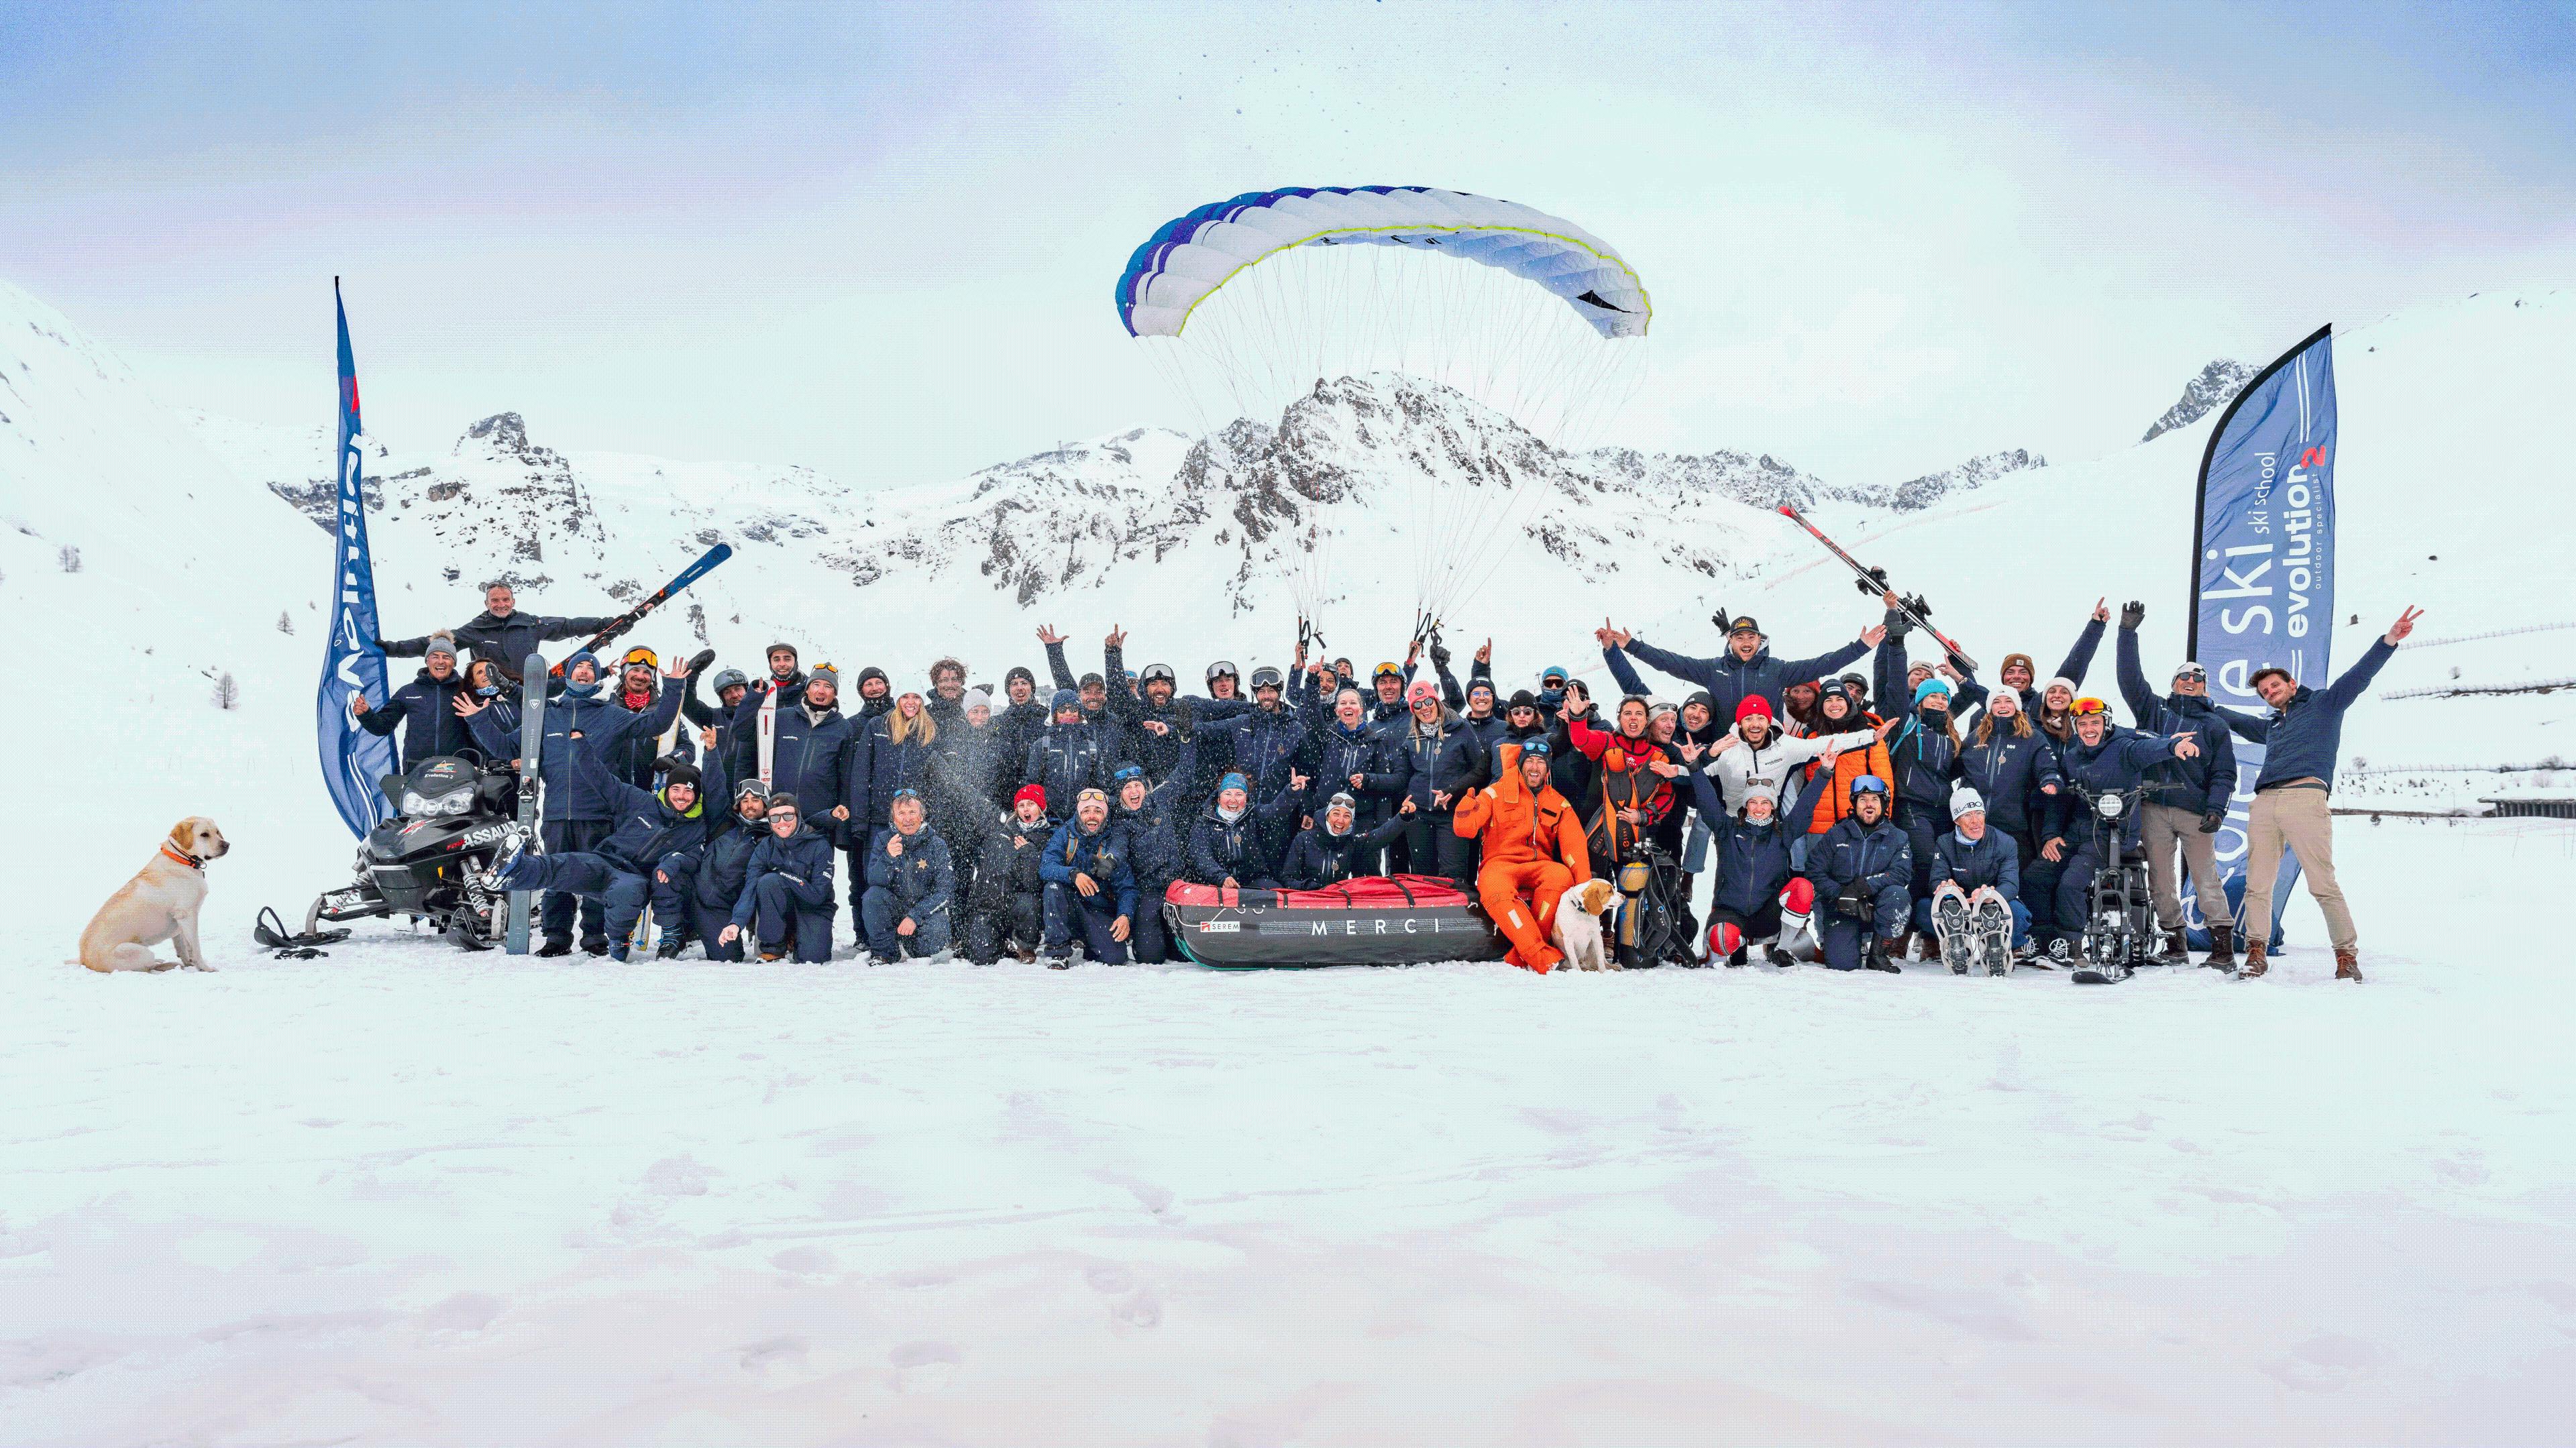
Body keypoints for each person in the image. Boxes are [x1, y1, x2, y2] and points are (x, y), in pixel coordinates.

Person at [2213, 608, 2419, 981]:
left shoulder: (2325, 704)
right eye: (2264, 693)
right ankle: (2256, 953)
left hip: (2305, 797)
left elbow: (2358, 677)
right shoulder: (2274, 726)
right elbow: (2240, 723)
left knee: (2321, 882)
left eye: (2274, 686)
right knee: (2258, 884)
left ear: (2291, 683)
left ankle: (2346, 957)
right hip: (2265, 804)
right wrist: (2208, 706)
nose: (2270, 694)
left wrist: (2388, 640)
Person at [461, 649, 685, 956]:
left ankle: (595, 937)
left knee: (598, 876)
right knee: (555, 874)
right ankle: (556, 937)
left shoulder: (611, 714)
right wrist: (479, 719)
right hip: (556, 813)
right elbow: (505, 747)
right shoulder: (546, 714)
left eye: (590, 668)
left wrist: (673, 687)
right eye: (578, 666)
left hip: (599, 814)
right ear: (567, 675)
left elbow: (657, 724)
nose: (584, 671)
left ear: (598, 677)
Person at [482, 729, 721, 961]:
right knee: (563, 864)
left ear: (697, 796)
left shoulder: (695, 827)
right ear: (667, 790)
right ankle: (511, 874)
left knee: (626, 891)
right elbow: (604, 781)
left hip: (637, 878)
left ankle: (618, 942)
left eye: (688, 792)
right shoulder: (642, 802)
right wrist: (581, 747)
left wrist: (710, 752)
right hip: (605, 862)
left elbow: (694, 854)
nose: (681, 796)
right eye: (676, 789)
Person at [2113, 603, 2241, 966]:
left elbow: (2225, 773)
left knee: (2206, 879)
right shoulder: (2154, 710)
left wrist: (2217, 809)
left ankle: (2222, 950)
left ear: (2204, 687)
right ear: (2173, 684)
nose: (2189, 682)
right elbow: (2129, 679)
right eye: (2183, 678)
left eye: (2197, 679)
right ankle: (2175, 946)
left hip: (2195, 812)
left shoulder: (2215, 725)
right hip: (2153, 808)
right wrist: (2127, 633)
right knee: (2161, 882)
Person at [2049, 696, 2207, 966]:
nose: (2089, 729)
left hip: (2113, 835)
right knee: (2058, 881)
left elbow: (2147, 750)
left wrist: (2172, 745)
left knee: (2072, 882)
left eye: (2095, 723)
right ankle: (2072, 944)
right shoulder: (2072, 758)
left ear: (2106, 724)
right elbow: (2063, 800)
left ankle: (2155, 932)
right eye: (2083, 723)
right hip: (2083, 834)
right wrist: (2052, 833)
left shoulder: (2122, 748)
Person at [1452, 737, 1591, 974]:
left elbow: (1574, 848)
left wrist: (1584, 888)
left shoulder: (1559, 804)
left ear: (1548, 768)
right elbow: (1464, 830)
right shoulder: (1494, 793)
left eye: (1540, 762)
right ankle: (1539, 955)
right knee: (1494, 889)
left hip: (1540, 864)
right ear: (1520, 764)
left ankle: (1523, 953)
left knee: (1561, 875)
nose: (1534, 767)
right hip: (1499, 864)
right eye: (1529, 761)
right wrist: (1465, 810)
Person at [1601, 612, 1884, 727]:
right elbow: (1671, 662)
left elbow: (1823, 664)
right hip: (1726, 750)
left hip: (1770, 747)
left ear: (1760, 640)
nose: (1746, 642)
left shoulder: (1778, 670)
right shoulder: (1713, 669)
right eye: (1739, 637)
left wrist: (1860, 646)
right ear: (1730, 641)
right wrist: (1632, 646)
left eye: (1751, 637)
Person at [1953, 686, 2065, 964]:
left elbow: (2047, 765)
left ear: (2017, 706)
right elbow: (1950, 767)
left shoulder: (2031, 738)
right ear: (1990, 707)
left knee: (2015, 884)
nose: (2003, 705)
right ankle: (1972, 941)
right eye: (1997, 701)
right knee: (1977, 884)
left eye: (2009, 701)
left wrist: (2051, 780)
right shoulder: (1975, 739)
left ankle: (2020, 942)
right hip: (1976, 826)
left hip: (2014, 826)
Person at [1677, 776, 1809, 966]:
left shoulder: (1783, 833)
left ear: (1773, 807)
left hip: (1768, 916)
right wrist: (1695, 768)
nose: (1759, 808)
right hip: (1731, 912)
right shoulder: (1727, 829)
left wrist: (1824, 773)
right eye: (1753, 802)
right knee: (1722, 940)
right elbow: (1708, 803)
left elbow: (1805, 807)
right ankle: (1739, 943)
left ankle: (1782, 948)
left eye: (1765, 803)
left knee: (1803, 887)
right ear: (1745, 805)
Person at [380, 579, 615, 681]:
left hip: (526, 694)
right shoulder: (475, 629)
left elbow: (568, 625)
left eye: (505, 600)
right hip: (488, 696)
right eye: (495, 600)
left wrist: (605, 623)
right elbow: (432, 645)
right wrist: (391, 649)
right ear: (487, 604)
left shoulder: (530, 624)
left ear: (513, 601)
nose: (501, 604)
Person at [1883, 676, 1964, 960]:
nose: (1939, 701)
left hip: (1941, 809)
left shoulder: (1951, 736)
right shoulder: (1908, 724)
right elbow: (1890, 685)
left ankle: (1930, 933)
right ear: (1919, 701)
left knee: (1942, 869)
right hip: (1911, 806)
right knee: (1925, 864)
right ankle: (1902, 934)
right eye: (1933, 697)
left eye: (1944, 698)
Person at [1803, 773, 1911, 973]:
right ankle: (1845, 942)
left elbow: (1901, 873)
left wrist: (1863, 887)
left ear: (1884, 803)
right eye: (1862, 799)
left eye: (1874, 799)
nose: (1868, 804)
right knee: (1842, 965)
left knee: (1898, 895)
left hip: (1875, 905)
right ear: (1854, 803)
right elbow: (1814, 869)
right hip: (1841, 906)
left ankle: (1878, 953)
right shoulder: (1836, 833)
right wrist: (1842, 893)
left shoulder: (1898, 837)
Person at [720, 793, 838, 963]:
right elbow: (751, 888)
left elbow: (818, 895)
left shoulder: (819, 845)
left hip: (813, 907)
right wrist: (736, 923)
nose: (782, 822)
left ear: (798, 815)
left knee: (813, 958)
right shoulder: (765, 848)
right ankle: (773, 947)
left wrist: (783, 875)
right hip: (781, 905)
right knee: (768, 882)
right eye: (775, 818)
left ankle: (798, 934)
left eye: (788, 815)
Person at [1108, 743, 1198, 964]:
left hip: (1178, 884)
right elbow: (1117, 847)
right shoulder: (1121, 822)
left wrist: (1186, 739)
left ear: (1145, 787)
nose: (1133, 792)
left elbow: (1185, 771)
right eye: (1127, 788)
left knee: (1185, 955)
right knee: (1151, 958)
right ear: (1120, 794)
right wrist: (1108, 861)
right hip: (1147, 890)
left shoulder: (1162, 799)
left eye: (1137, 785)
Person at [1304, 687, 1411, 871]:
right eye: (1343, 703)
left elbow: (1384, 786)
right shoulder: (1326, 737)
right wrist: (1309, 810)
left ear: (1361, 710)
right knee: (1328, 875)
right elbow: (1312, 778)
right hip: (1327, 817)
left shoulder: (1375, 741)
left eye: (1353, 703)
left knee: (1367, 877)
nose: (1349, 707)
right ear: (1336, 710)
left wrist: (1381, 825)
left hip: (1362, 820)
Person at [352, 632, 486, 775]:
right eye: (435, 657)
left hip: (458, 769)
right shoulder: (408, 692)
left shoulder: (468, 691)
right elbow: (382, 727)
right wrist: (365, 714)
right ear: (427, 661)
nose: (441, 661)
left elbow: (486, 731)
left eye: (446, 657)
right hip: (417, 769)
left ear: (454, 663)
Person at [1038, 787, 1136, 967]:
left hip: (1097, 910)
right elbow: (1046, 868)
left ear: (1105, 815)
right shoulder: (1065, 834)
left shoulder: (1112, 841)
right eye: (1086, 811)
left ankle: (1091, 944)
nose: (1092, 816)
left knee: (1116, 958)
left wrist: (1125, 916)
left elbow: (1127, 887)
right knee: (1052, 888)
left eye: (1098, 811)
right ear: (1079, 813)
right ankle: (1058, 952)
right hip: (1070, 907)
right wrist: (1073, 874)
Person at [1925, 786, 2028, 957]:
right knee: (1923, 909)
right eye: (1967, 815)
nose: (1975, 821)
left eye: (1979, 813)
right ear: (1956, 820)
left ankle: (2008, 946)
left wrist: (1989, 895)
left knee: (2018, 913)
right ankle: (1953, 945)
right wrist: (1947, 889)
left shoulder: (2006, 842)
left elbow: (2010, 885)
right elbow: (1936, 881)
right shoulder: (1944, 843)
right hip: (1958, 904)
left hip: (1992, 902)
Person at [1390, 679, 1472, 884]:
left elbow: (1478, 770)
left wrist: (1455, 790)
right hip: (1419, 817)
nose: (1424, 708)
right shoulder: (1410, 738)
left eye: (1428, 701)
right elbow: (1403, 776)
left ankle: (1454, 916)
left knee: (1452, 878)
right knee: (1423, 877)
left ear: (1436, 701)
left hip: (1451, 814)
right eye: (1417, 705)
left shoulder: (1461, 729)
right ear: (1413, 710)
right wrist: (1371, 781)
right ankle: (1426, 917)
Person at [859, 789, 955, 963]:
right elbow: (874, 880)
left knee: (938, 932)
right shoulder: (883, 840)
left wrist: (914, 917)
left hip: (922, 909)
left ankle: (913, 945)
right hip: (894, 906)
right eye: (901, 813)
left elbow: (945, 892)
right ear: (894, 818)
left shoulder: (937, 845)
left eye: (912, 812)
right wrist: (887, 857)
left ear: (922, 816)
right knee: (872, 897)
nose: (907, 818)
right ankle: (885, 952)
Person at [690, 775, 776, 961]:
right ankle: (681, 931)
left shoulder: (769, 838)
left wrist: (737, 922)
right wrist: (711, 751)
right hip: (696, 896)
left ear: (766, 804)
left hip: (723, 907)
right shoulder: (724, 823)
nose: (750, 805)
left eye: (755, 800)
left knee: (729, 956)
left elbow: (753, 885)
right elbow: (714, 787)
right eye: (744, 801)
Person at [967, 783, 1055, 964]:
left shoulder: (1050, 837)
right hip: (990, 902)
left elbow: (1034, 885)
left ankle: (1025, 946)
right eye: (1021, 805)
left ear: (1041, 808)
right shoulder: (1002, 830)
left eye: (1031, 804)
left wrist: (1030, 854)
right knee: (980, 958)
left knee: (1031, 904)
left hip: (1020, 903)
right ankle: (1000, 943)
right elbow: (972, 800)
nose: (1025, 809)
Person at [1281, 788, 1414, 890]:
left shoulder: (1352, 842)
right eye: (1336, 814)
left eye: (1347, 816)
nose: (1340, 820)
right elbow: (1287, 879)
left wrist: (1402, 818)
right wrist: (1308, 887)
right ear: (1327, 816)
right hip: (1307, 902)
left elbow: (1381, 836)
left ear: (1351, 822)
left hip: (1338, 902)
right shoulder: (1304, 840)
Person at [1185, 771, 1299, 889]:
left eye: (1239, 794)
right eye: (1228, 794)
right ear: (1219, 799)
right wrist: (1221, 877)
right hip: (1216, 883)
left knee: (1277, 892)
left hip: (1254, 881)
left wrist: (1291, 791)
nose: (1233, 800)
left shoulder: (1255, 815)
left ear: (1246, 798)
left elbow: (1275, 811)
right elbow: (1201, 857)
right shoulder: (1204, 823)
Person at [1026, 689, 1123, 816]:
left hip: (1082, 819)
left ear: (1079, 712)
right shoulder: (1042, 745)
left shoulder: (1090, 746)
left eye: (1073, 709)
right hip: (1048, 819)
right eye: (1062, 709)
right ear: (1055, 714)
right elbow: (1032, 786)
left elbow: (1100, 787)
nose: (1068, 713)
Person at [1218, 666, 1309, 798]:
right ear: (1255, 694)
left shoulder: (1295, 729)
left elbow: (1307, 773)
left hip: (1281, 807)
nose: (1266, 696)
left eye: (1271, 691)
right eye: (1261, 691)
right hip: (1243, 806)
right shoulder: (1242, 722)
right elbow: (1209, 730)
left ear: (1279, 692)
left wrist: (1306, 809)